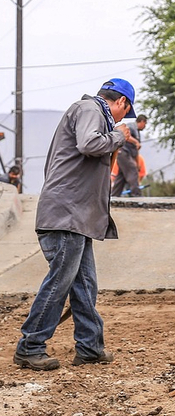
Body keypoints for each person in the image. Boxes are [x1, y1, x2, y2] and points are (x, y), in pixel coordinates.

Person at [13, 78, 136, 371]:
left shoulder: (89, 112)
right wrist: (119, 136)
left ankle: (90, 347)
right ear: (121, 103)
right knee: (59, 283)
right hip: (66, 216)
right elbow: (90, 144)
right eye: (125, 114)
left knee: (84, 285)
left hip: (76, 217)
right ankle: (30, 346)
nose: (122, 120)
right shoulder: (89, 108)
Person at [111, 114, 147, 197]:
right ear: (141, 121)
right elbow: (126, 135)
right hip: (123, 153)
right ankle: (136, 195)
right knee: (133, 170)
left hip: (129, 155)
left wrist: (137, 163)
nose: (145, 126)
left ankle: (114, 196)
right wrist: (135, 142)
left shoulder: (137, 132)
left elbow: (136, 151)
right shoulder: (131, 126)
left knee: (121, 177)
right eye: (145, 124)